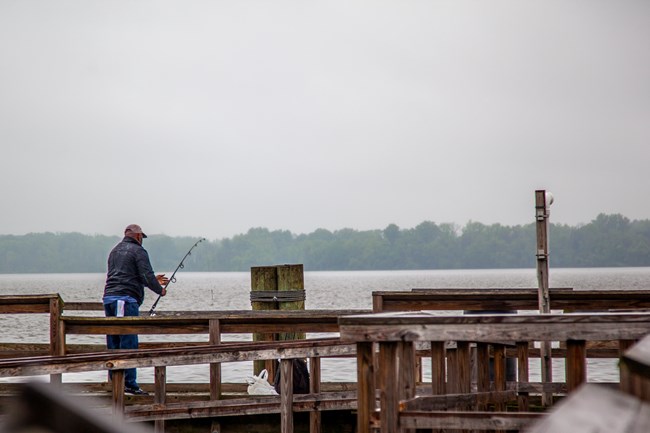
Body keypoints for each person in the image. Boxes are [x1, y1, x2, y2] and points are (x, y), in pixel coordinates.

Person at [103, 224, 169, 395]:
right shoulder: (138, 251)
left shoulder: (115, 250)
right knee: (128, 342)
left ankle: (115, 382)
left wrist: (153, 280)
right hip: (124, 301)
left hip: (110, 300)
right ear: (138, 237)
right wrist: (160, 290)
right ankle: (130, 384)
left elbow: (129, 275)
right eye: (142, 238)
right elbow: (146, 276)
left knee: (114, 342)